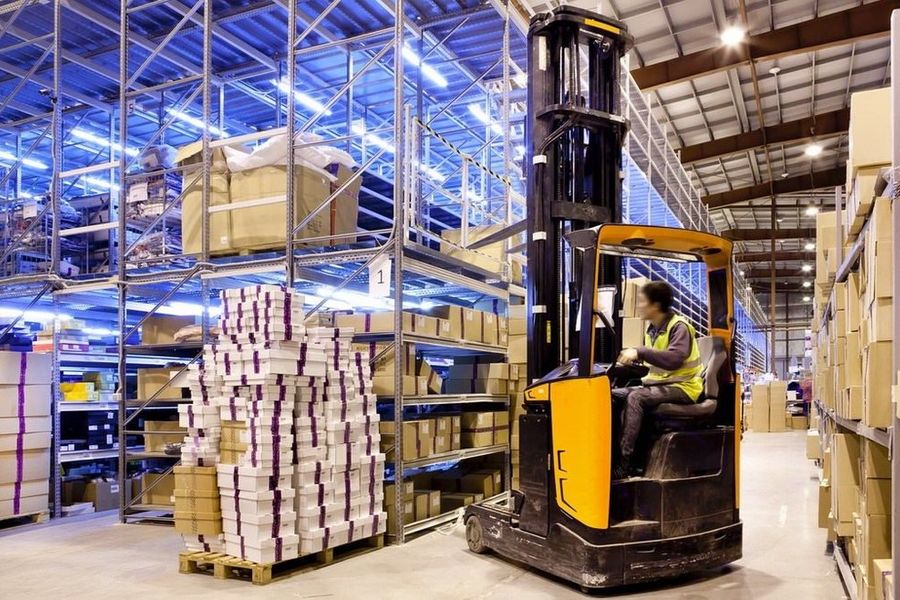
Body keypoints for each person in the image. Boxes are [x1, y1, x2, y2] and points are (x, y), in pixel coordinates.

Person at [612, 281, 703, 479]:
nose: (638, 306)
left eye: (642, 301)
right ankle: (608, 454)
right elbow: (653, 366)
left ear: (655, 305)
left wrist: (640, 351)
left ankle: (625, 463)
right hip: (661, 385)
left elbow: (674, 359)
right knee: (609, 395)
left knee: (636, 398)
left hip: (684, 387)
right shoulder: (652, 330)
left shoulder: (679, 327)